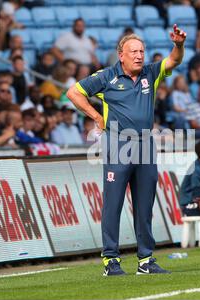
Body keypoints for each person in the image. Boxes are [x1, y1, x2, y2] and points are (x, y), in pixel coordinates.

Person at [67, 25, 186, 276]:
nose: (139, 55)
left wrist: (178, 45)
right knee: (113, 204)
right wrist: (96, 116)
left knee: (145, 205)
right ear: (121, 54)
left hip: (145, 144)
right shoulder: (106, 76)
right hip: (118, 144)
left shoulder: (151, 73)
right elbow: (74, 92)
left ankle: (146, 260)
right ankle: (110, 260)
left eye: (142, 51)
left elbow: (174, 60)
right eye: (134, 51)